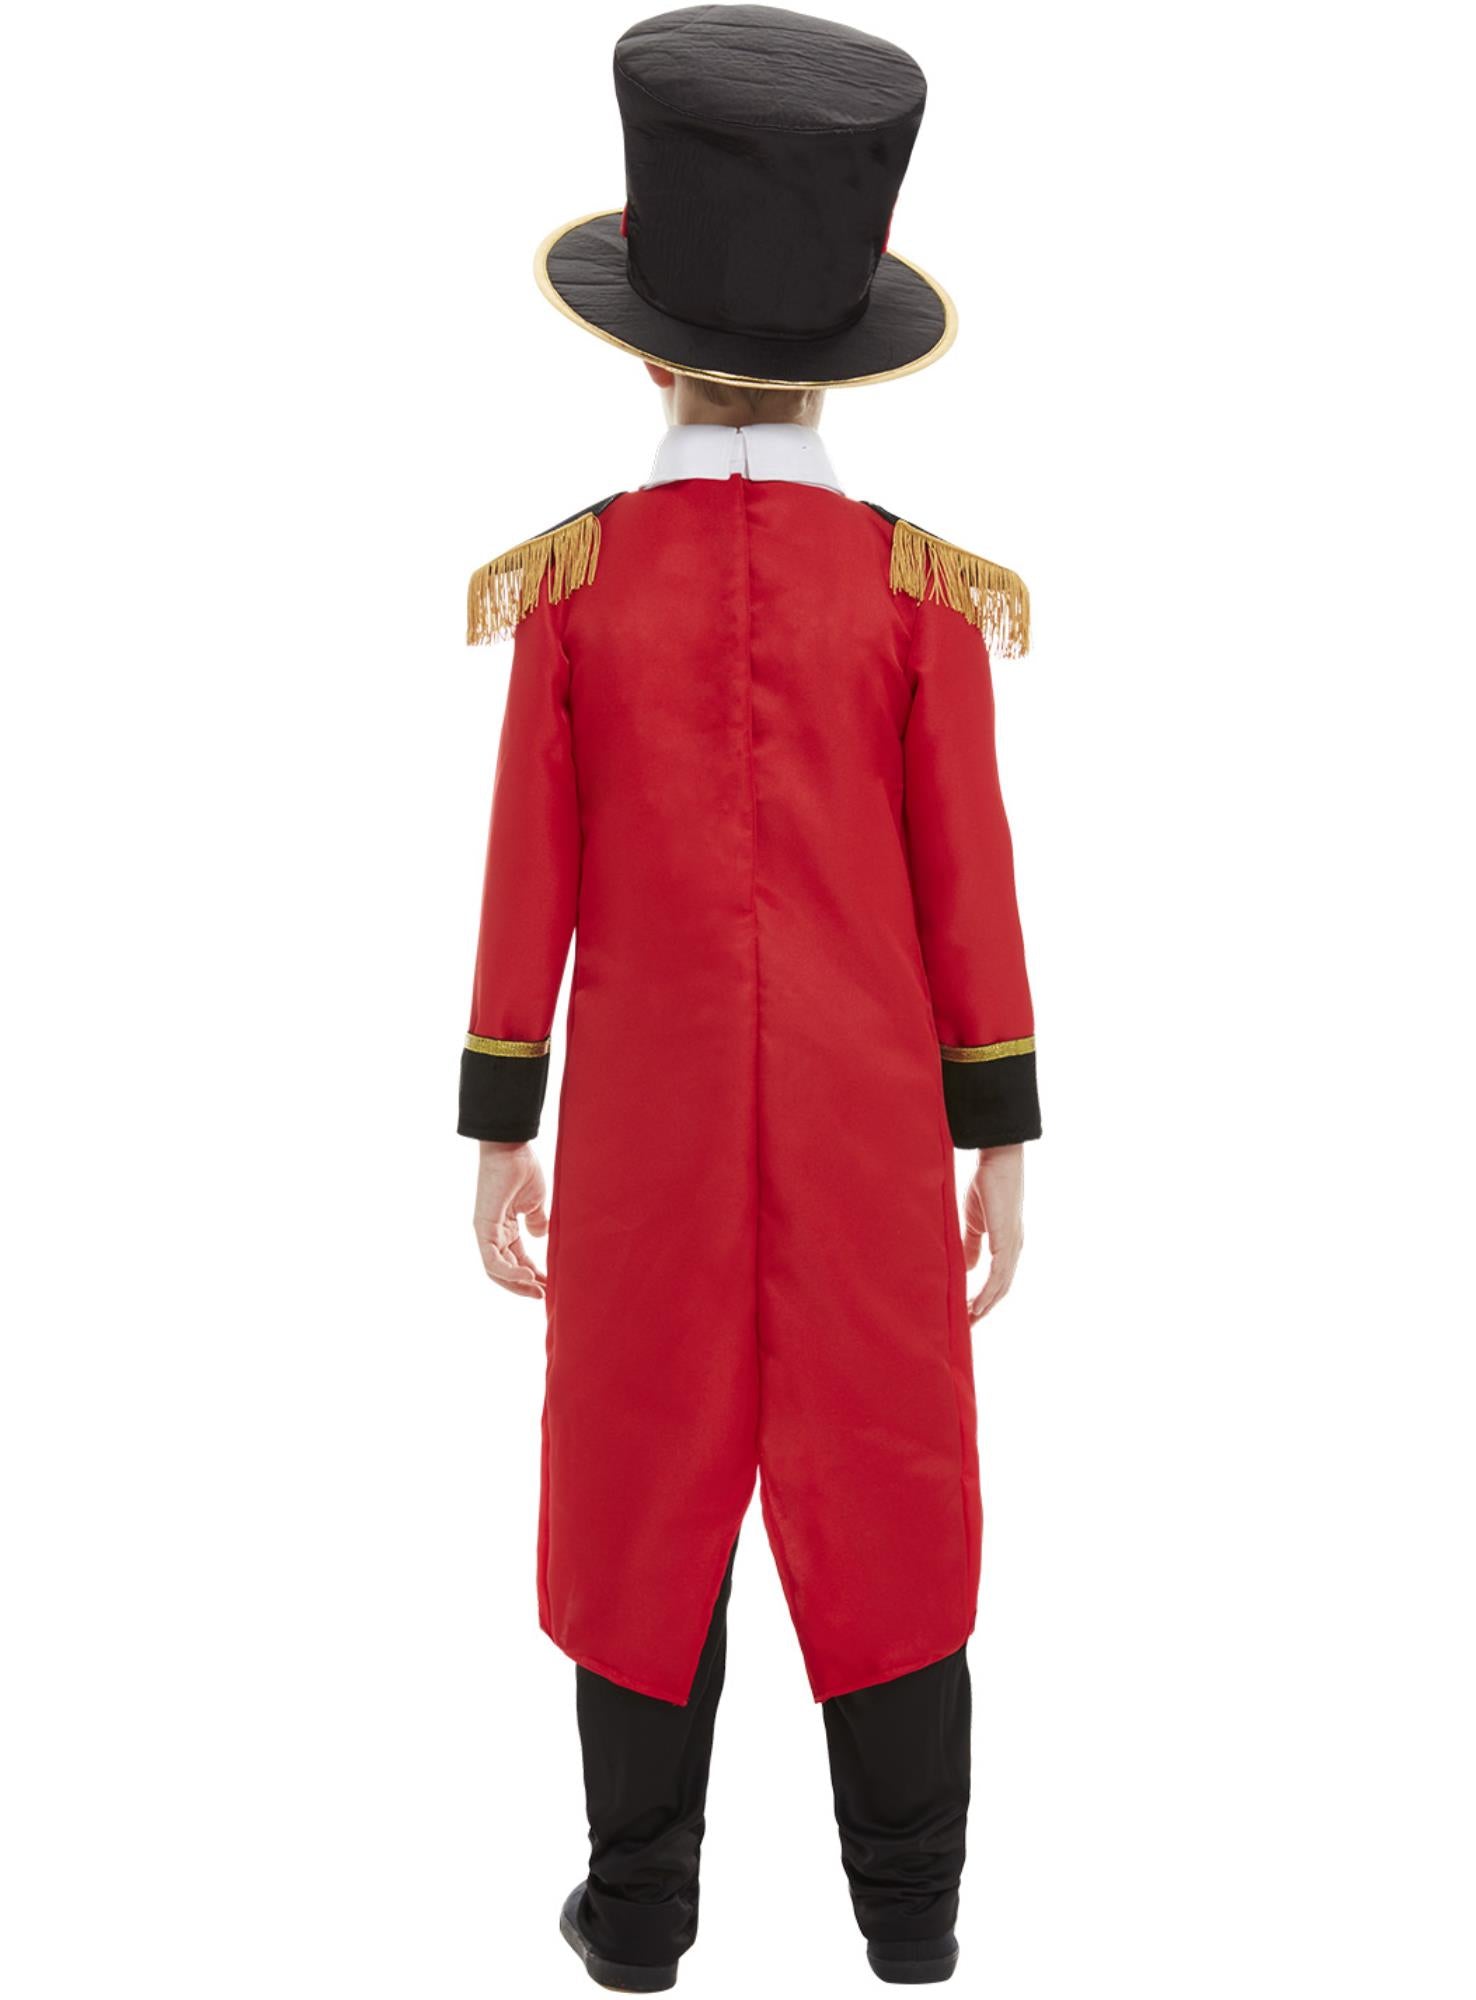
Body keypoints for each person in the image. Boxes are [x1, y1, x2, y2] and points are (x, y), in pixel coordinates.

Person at [457, 7, 1041, 1989]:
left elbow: (526, 881)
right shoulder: (912, 591)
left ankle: (638, 1913)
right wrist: (999, 1139)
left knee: (638, 1473)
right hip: (874, 1133)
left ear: (644, 344)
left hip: (645, 1132)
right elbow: (970, 885)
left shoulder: (571, 587)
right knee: (892, 1473)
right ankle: (913, 1918)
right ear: (842, 346)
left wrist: (499, 1130)